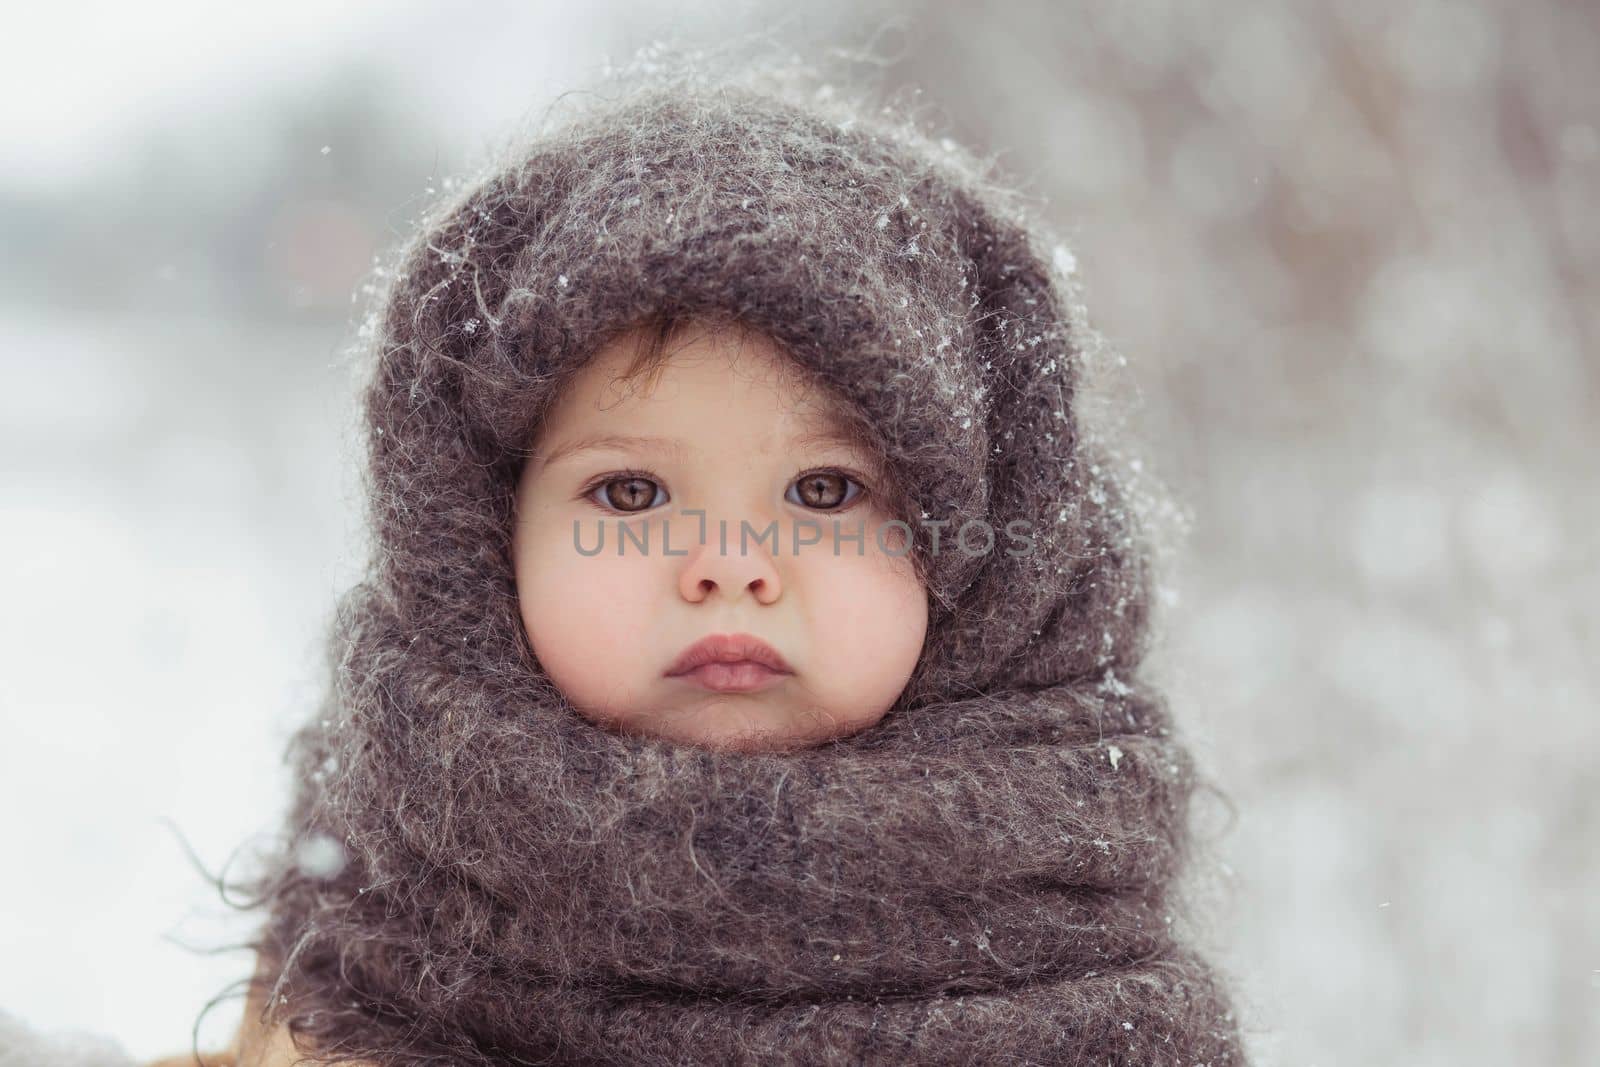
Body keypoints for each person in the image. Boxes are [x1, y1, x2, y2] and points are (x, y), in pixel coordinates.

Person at [134, 45, 1248, 1067]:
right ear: (477, 548)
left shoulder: (1080, 958)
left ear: (987, 566)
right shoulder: (366, 935)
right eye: (630, 492)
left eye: (824, 491)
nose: (729, 565)